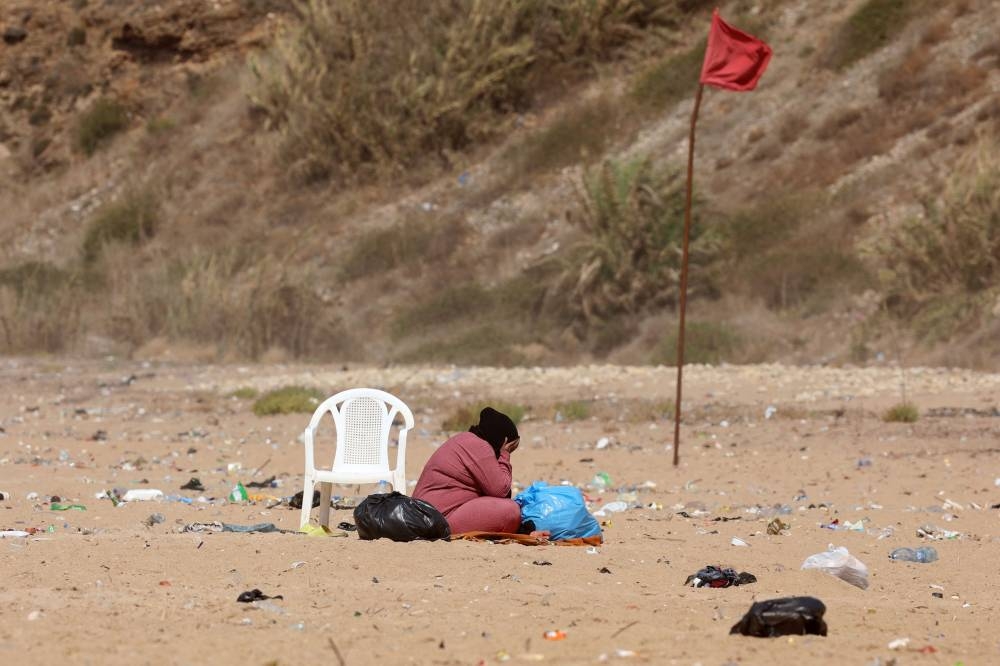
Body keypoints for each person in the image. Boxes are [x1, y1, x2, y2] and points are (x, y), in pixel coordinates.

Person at [413, 406, 525, 534]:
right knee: (511, 511)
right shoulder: (479, 447)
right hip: (436, 519)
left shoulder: (469, 440)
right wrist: (505, 455)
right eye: (511, 448)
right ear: (503, 441)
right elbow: (501, 490)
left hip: (431, 515)